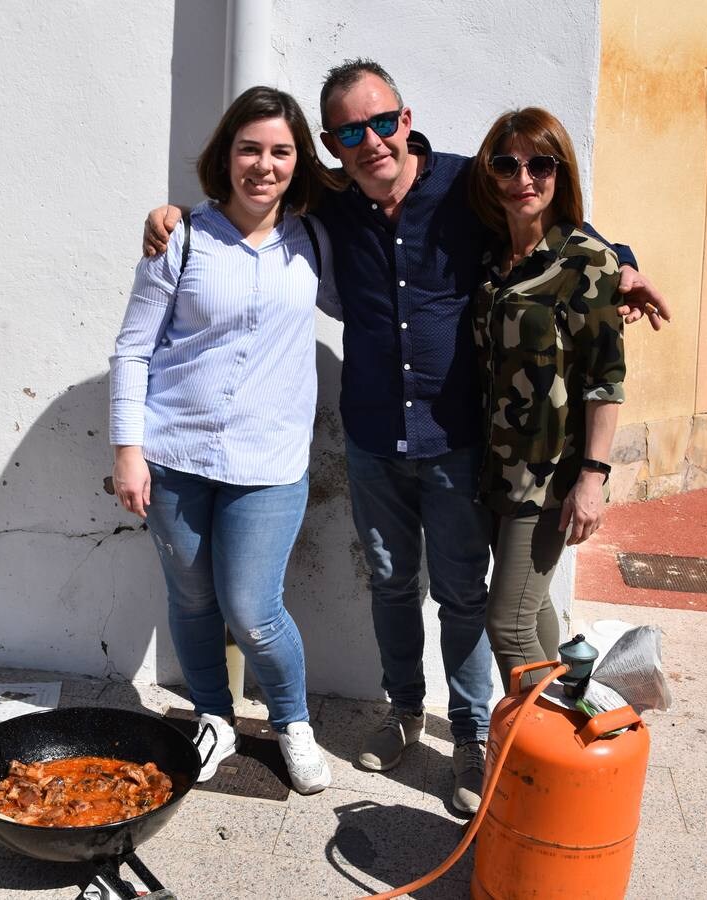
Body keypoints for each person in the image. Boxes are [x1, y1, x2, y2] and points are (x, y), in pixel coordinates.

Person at [144, 60, 670, 814]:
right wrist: (170, 215)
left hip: (457, 440)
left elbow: (547, 222)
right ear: (331, 144)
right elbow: (244, 195)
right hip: (374, 438)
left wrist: (620, 262)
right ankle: (400, 710)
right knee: (392, 584)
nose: (372, 142)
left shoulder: (465, 185)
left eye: (382, 121)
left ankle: (465, 733)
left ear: (405, 116)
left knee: (462, 594)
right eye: (351, 131)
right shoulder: (327, 200)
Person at [109, 86, 340, 795]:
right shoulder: (180, 237)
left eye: (280, 151)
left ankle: (293, 721)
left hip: (268, 465)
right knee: (192, 599)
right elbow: (133, 349)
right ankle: (214, 716)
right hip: (175, 457)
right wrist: (128, 448)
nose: (263, 165)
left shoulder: (317, 239)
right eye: (250, 149)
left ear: (299, 161)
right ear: (226, 155)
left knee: (252, 607)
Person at [468, 109, 625, 691]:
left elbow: (605, 379)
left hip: (549, 475)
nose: (523, 177)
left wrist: (592, 478)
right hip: (493, 468)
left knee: (506, 624)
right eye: (507, 164)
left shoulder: (587, 260)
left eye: (541, 163)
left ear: (562, 171)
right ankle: (572, 717)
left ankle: (534, 746)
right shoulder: (490, 261)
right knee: (531, 610)